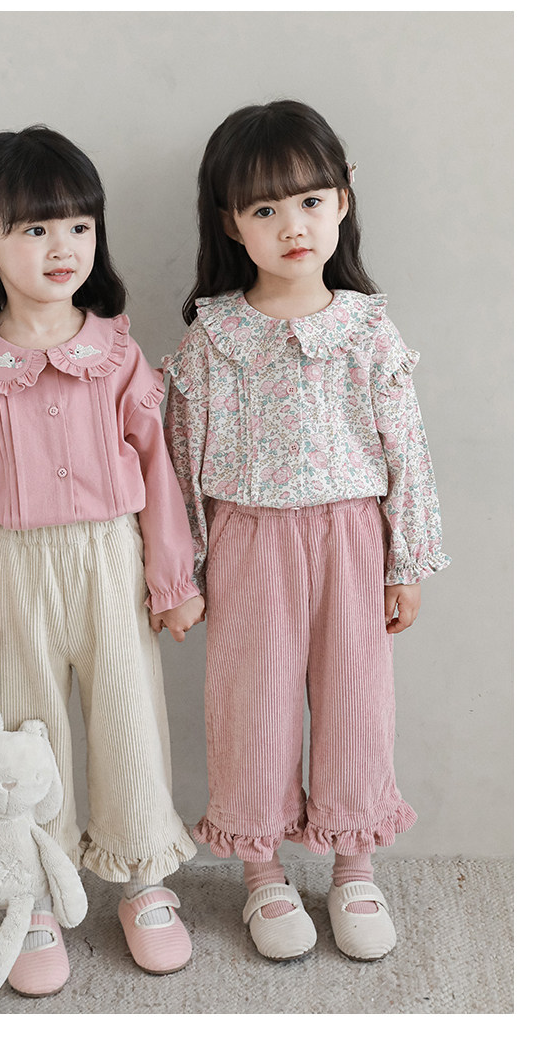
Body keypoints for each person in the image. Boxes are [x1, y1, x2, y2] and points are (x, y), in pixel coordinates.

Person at [0, 125, 204, 994]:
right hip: (14, 569)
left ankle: (143, 878)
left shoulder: (115, 350)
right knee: (23, 731)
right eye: (35, 228)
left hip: (111, 559)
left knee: (128, 718)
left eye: (78, 225)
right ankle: (32, 889)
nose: (62, 246)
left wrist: (172, 578)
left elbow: (158, 469)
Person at [163, 100, 450, 962]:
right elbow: (179, 461)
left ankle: (354, 864)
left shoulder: (367, 328)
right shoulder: (215, 338)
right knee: (250, 705)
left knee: (357, 700)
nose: (293, 225)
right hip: (249, 542)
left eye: (311, 201)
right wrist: (183, 572)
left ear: (343, 200)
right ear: (231, 223)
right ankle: (262, 871)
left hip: (352, 539)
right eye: (265, 208)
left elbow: (407, 448)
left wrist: (406, 561)